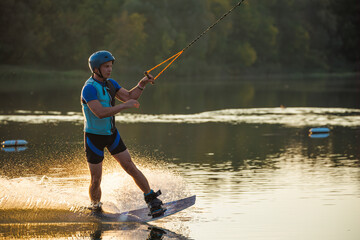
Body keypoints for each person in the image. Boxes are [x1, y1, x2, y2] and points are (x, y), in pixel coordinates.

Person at [81, 50, 164, 217]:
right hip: (93, 138)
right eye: (106, 66)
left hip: (111, 134)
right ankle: (95, 208)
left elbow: (129, 96)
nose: (109, 69)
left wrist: (142, 84)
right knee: (96, 178)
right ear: (96, 68)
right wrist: (124, 107)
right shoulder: (89, 89)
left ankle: (151, 199)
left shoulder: (111, 84)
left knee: (130, 166)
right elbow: (100, 112)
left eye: (111, 66)